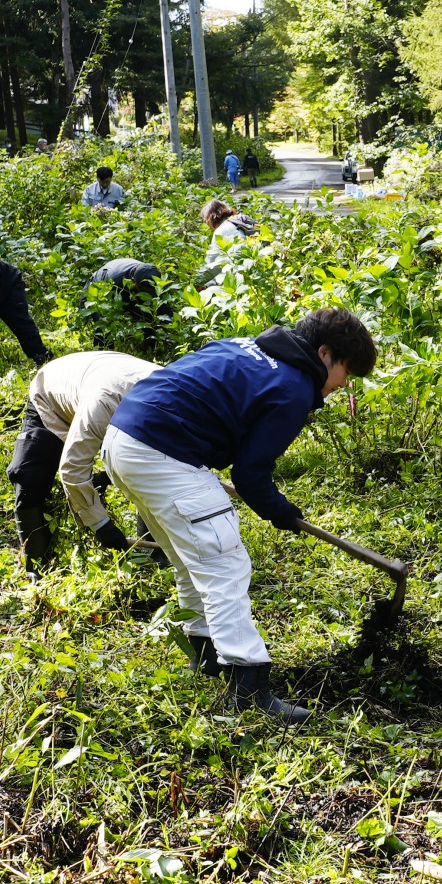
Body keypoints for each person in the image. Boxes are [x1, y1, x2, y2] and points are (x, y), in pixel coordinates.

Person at [102, 308, 378, 722]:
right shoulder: (293, 386)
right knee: (224, 562)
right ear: (325, 354)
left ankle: (206, 657)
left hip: (124, 439)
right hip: (162, 452)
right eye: (347, 373)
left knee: (190, 559)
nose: (343, 385)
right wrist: (281, 512)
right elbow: (251, 473)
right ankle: (248, 686)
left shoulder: (249, 349)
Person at [9, 350, 162, 572]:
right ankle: (37, 567)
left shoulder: (176, 396)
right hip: (52, 395)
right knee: (29, 476)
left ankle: (151, 553)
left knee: (152, 466)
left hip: (104, 375)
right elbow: (72, 469)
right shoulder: (102, 405)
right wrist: (102, 526)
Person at [85, 257, 171, 352]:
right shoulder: (115, 281)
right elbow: (107, 312)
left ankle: (149, 348)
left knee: (147, 315)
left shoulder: (150, 274)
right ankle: (102, 355)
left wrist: (171, 333)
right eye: (145, 291)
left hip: (128, 287)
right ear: (133, 281)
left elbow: (165, 309)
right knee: (103, 328)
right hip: (98, 289)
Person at [197, 198, 260, 286]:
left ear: (210, 218)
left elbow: (212, 265)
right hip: (259, 265)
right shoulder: (241, 219)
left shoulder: (220, 231)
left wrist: (198, 283)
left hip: (242, 272)